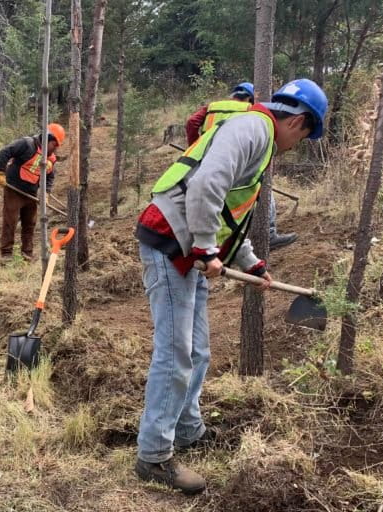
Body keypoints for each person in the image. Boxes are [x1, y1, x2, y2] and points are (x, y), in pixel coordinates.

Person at [133, 79, 328, 495]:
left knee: (197, 351)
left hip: (193, 248)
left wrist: (251, 263)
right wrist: (205, 249)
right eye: (307, 136)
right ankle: (154, 456)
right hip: (172, 243)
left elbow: (229, 214)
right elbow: (205, 187)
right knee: (175, 352)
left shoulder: (257, 138)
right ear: (298, 122)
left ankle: (188, 431)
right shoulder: (252, 130)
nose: (299, 145)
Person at [186, 82, 298, 251]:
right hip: (238, 163)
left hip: (206, 160)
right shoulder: (251, 111)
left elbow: (191, 122)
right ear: (248, 97)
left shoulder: (213, 106)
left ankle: (224, 242)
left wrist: (195, 146)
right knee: (259, 192)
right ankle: (269, 232)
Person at [0, 123, 66, 260]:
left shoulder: (50, 158)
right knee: (11, 221)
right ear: (46, 138)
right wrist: (0, 172)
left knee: (30, 223)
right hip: (14, 189)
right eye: (54, 144)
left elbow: (50, 176)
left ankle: (27, 252)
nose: (55, 148)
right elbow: (5, 152)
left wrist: (46, 193)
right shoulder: (27, 144)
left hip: (31, 193)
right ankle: (6, 253)